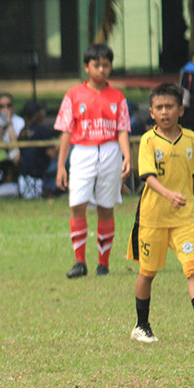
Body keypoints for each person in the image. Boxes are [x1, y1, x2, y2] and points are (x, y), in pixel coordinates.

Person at [126, 83, 194, 344]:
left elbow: (193, 177)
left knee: (193, 268)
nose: (164, 112)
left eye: (169, 106)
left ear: (180, 110)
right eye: (159, 107)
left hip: (183, 219)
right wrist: (169, 194)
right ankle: (141, 325)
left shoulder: (191, 139)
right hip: (153, 218)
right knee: (147, 273)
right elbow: (147, 177)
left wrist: (191, 203)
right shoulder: (148, 140)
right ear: (151, 112)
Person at [54, 43, 131, 279]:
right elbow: (66, 131)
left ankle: (103, 263)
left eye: (106, 65)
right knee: (77, 204)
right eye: (96, 65)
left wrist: (127, 155)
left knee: (106, 207)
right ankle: (79, 261)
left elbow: (122, 129)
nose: (101, 70)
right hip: (83, 152)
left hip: (109, 151)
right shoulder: (73, 95)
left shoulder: (117, 97)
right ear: (87, 67)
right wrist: (61, 166)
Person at [17, 100, 58, 199]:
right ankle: (51, 189)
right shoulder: (42, 130)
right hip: (40, 172)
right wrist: (61, 143)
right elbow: (51, 154)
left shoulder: (23, 132)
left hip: (24, 173)